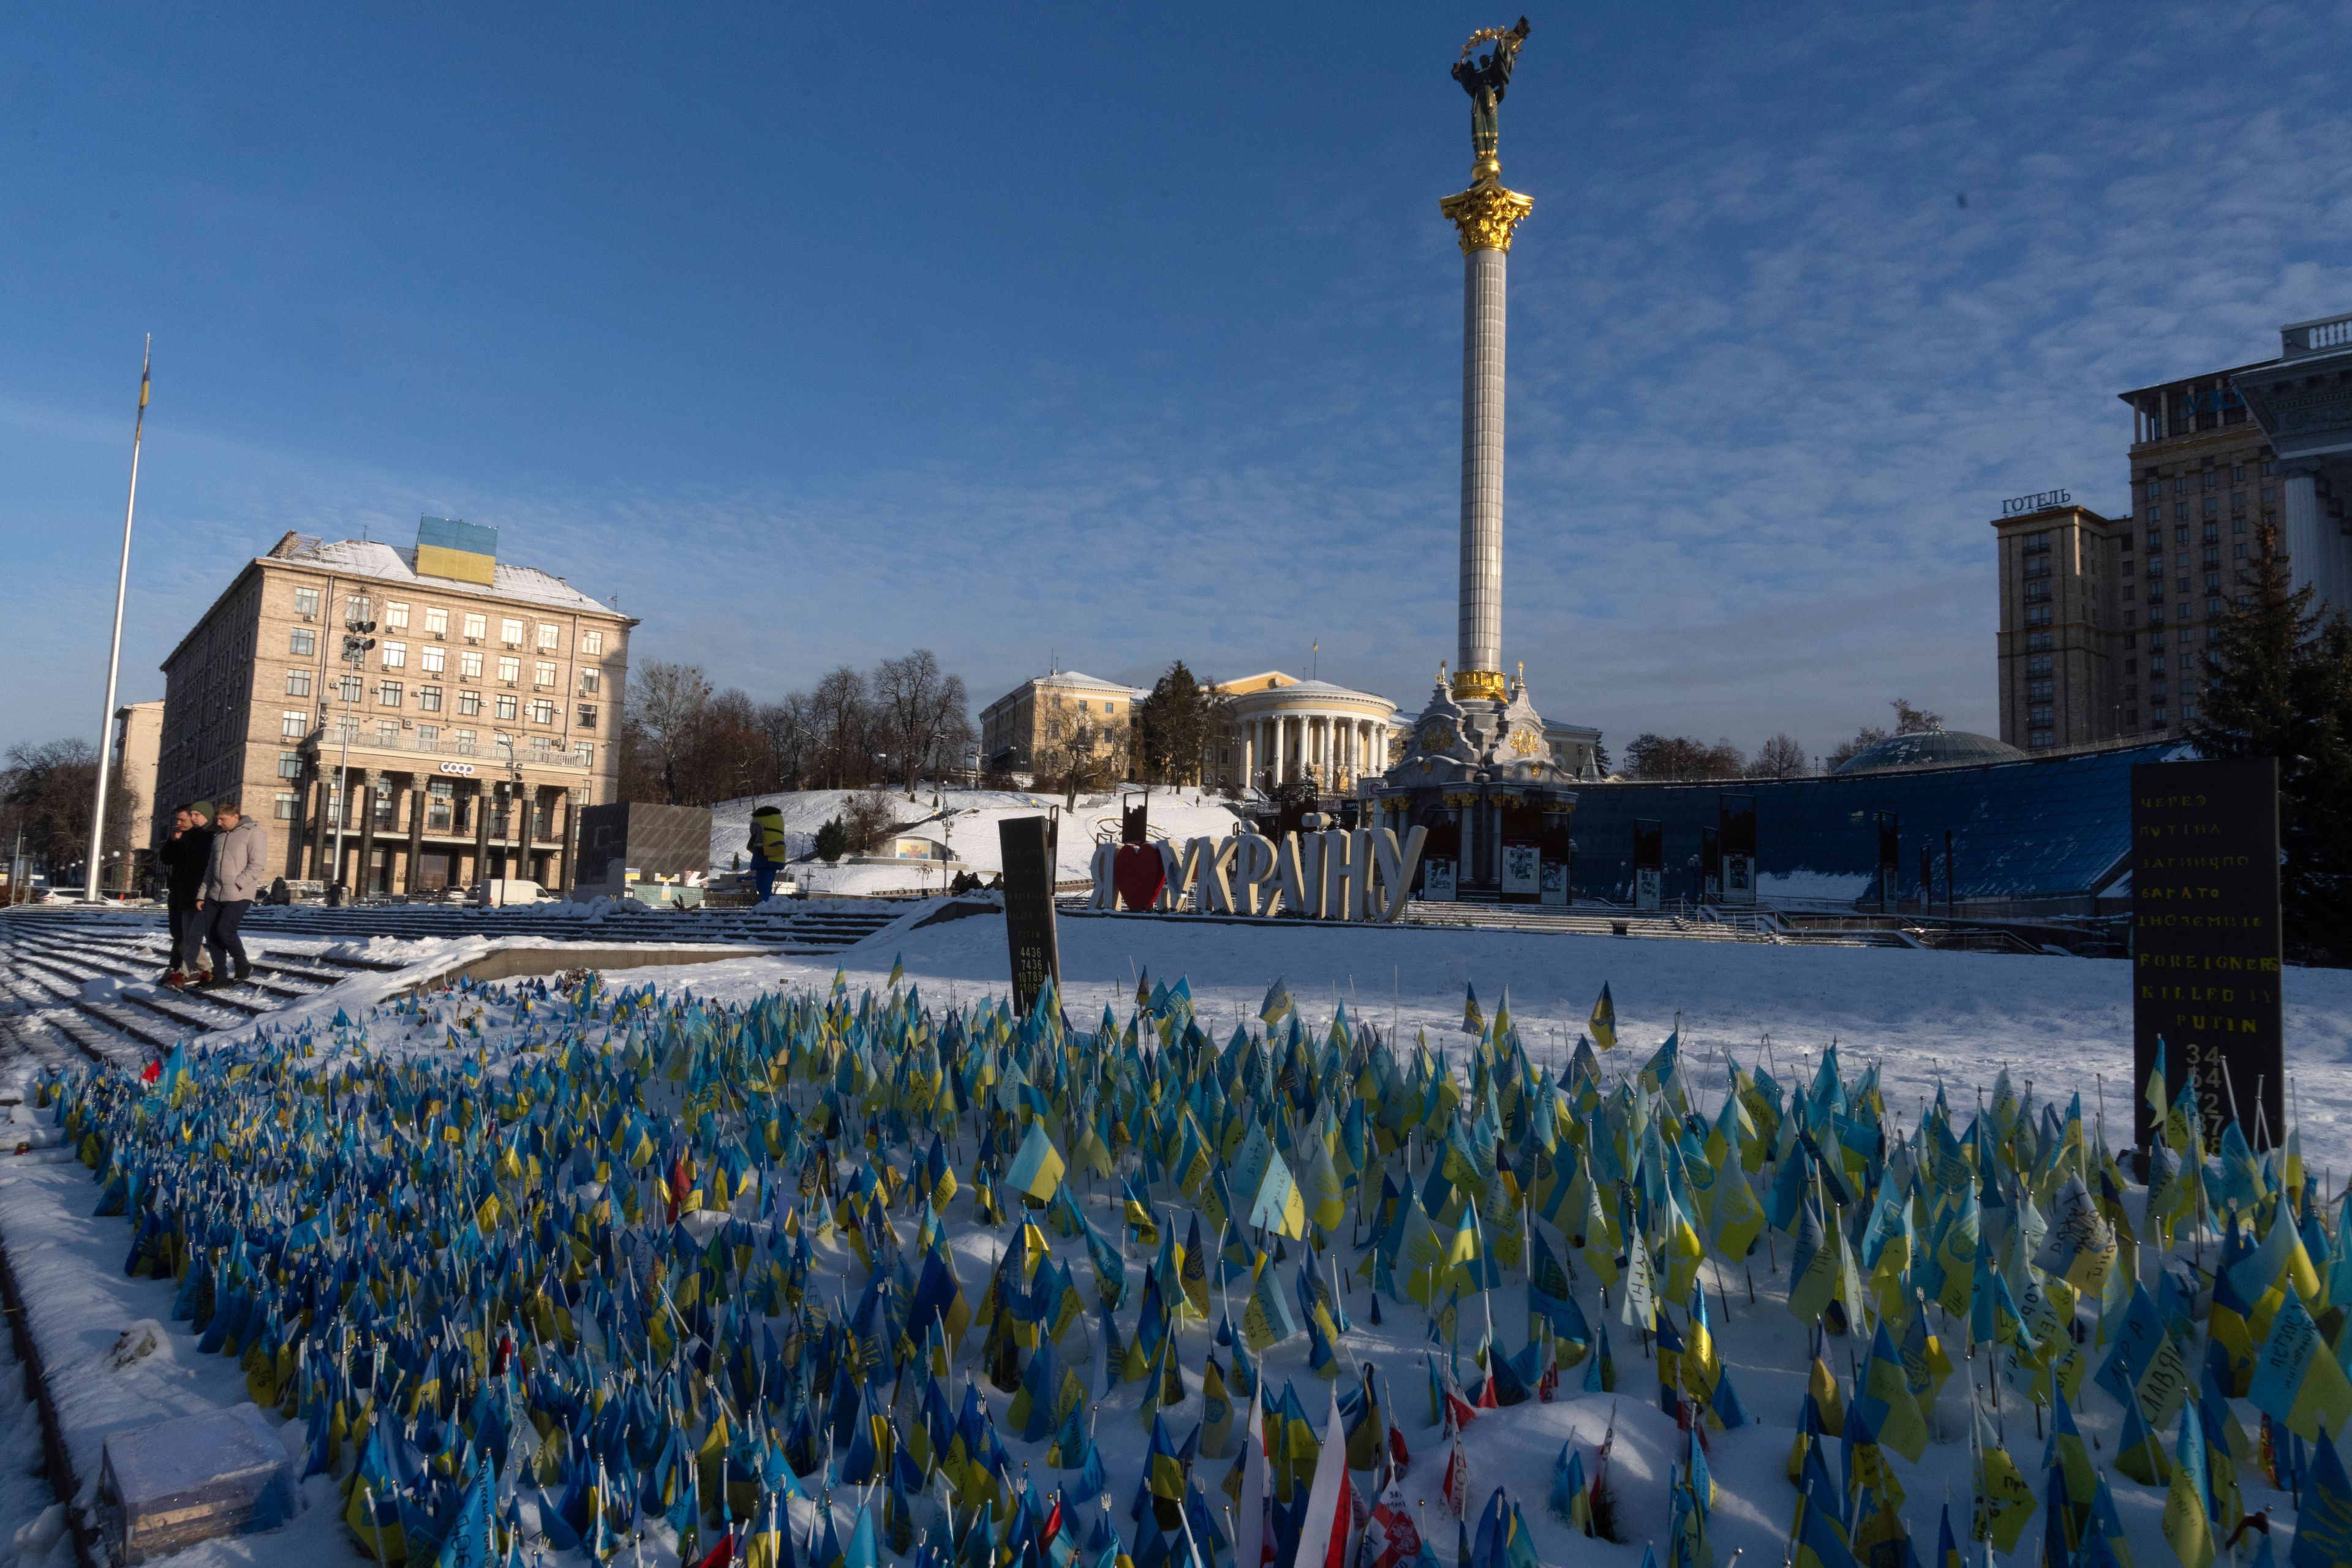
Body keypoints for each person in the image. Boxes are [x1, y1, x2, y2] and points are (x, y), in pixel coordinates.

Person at [190, 797, 268, 989]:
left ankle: (242, 963)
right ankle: (220, 977)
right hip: (214, 894)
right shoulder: (219, 837)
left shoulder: (254, 833)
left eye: (223, 819)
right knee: (212, 935)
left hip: (238, 894)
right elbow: (210, 869)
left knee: (224, 930)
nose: (218, 823)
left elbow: (257, 865)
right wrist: (202, 894)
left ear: (236, 817)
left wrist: (238, 883)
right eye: (217, 819)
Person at [156, 802, 215, 986]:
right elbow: (166, 858)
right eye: (177, 820)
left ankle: (198, 969)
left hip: (196, 892)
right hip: (179, 891)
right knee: (178, 932)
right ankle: (192, 969)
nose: (178, 823)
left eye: (182, 819)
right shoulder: (181, 836)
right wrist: (173, 841)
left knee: (186, 934)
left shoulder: (205, 837)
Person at [747, 805, 787, 901]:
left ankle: (766, 901)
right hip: (761, 863)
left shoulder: (776, 840)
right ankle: (767, 901)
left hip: (770, 862)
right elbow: (752, 849)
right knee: (760, 885)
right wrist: (753, 842)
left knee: (765, 884)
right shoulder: (759, 841)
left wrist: (764, 850)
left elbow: (780, 849)